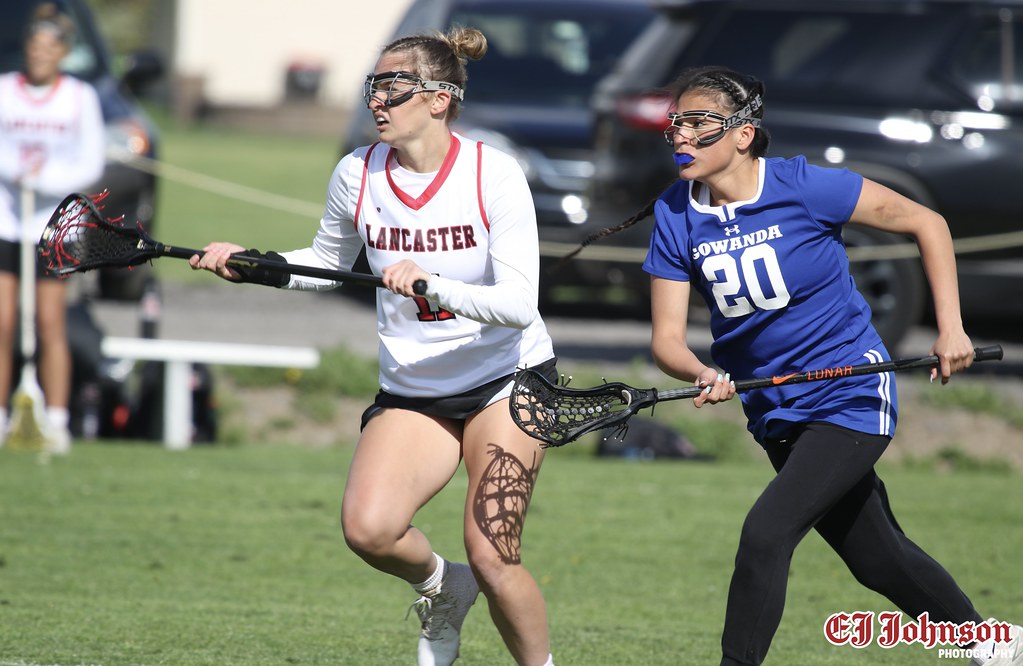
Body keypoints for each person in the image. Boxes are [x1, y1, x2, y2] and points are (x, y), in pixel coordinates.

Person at [575, 65, 1022, 666]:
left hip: (850, 391)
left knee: (766, 532)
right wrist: (701, 373)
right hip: (774, 407)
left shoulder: (806, 186)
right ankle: (997, 648)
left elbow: (927, 222)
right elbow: (668, 342)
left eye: (697, 123)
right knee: (877, 559)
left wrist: (951, 328)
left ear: (742, 133)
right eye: (675, 124)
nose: (679, 136)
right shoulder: (677, 216)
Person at [190, 27, 558, 666]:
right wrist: (257, 264)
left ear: (440, 98)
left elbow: (519, 304)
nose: (378, 102)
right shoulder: (357, 172)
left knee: (494, 555)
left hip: (510, 378)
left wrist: (432, 284)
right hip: (418, 387)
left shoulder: (492, 174)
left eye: (394, 88)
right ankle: (445, 589)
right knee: (369, 529)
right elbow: (328, 262)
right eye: (374, 88)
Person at [0, 2, 105, 452]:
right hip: (7, 221)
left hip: (55, 228)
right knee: (2, 323)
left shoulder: (80, 97)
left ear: (62, 52)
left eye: (50, 47)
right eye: (34, 46)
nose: (40, 54)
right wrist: (14, 170)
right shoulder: (4, 90)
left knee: (49, 323)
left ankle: (58, 420)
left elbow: (91, 162)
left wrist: (46, 181)